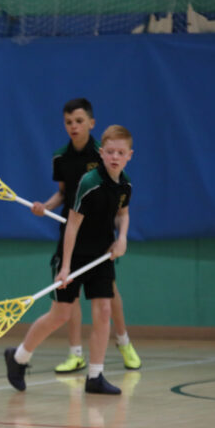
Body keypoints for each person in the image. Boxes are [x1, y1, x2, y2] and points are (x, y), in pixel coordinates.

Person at [6, 125, 134, 395]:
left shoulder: (125, 184)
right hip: (74, 254)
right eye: (110, 151)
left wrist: (121, 237)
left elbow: (123, 213)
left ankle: (95, 376)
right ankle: (18, 357)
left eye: (120, 153)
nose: (114, 156)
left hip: (102, 256)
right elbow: (72, 226)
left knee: (104, 312)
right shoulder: (90, 183)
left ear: (129, 156)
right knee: (60, 315)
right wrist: (65, 267)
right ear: (101, 152)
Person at [31, 98, 141, 374]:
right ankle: (75, 353)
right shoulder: (61, 157)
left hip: (100, 237)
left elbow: (121, 206)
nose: (73, 126)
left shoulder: (104, 154)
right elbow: (63, 193)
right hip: (73, 230)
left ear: (91, 123)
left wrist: (121, 236)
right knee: (71, 293)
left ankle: (123, 340)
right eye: (68, 122)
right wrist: (46, 206)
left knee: (108, 294)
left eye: (79, 121)